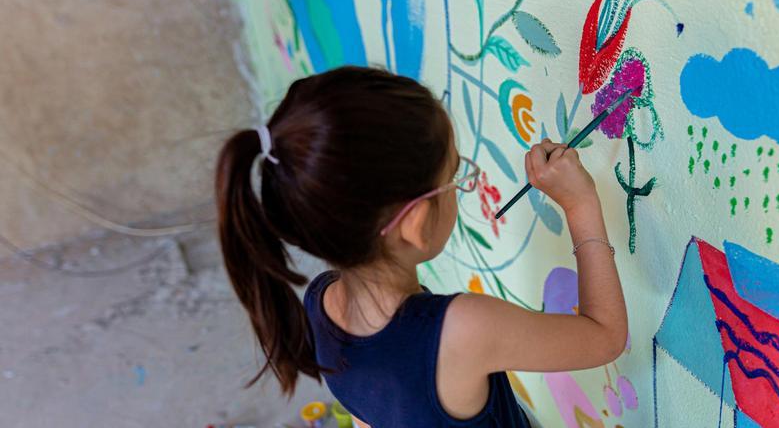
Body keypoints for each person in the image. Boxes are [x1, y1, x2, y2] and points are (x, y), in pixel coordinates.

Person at [214, 66, 628, 427]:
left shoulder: (320, 303)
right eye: (455, 176)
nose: (461, 184)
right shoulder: (463, 329)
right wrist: (579, 204)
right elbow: (605, 336)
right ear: (413, 223)